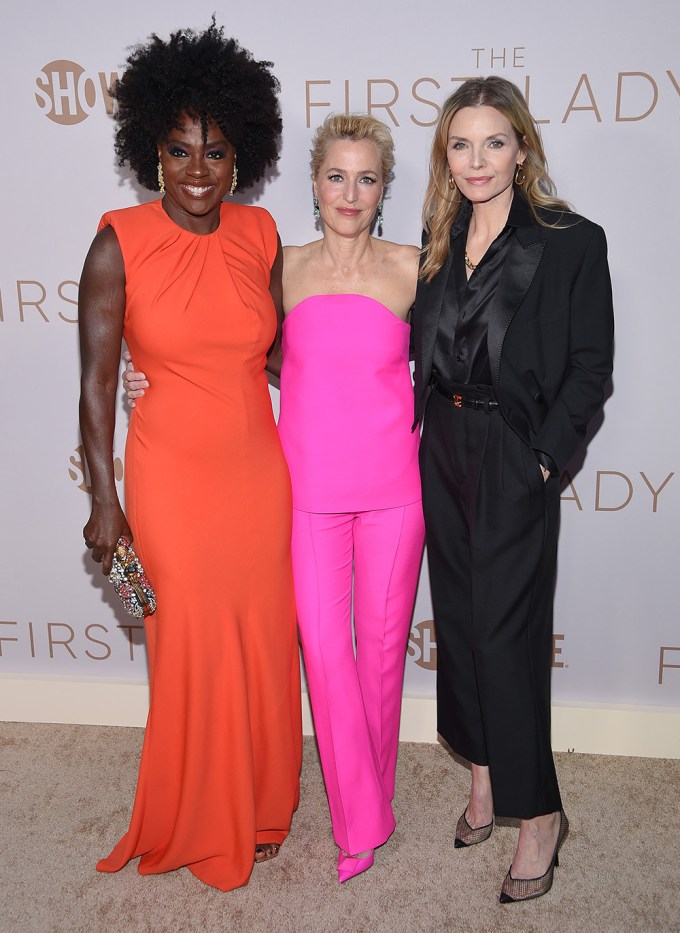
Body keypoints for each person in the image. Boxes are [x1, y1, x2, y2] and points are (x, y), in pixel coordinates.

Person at [125, 113, 425, 883]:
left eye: (366, 178)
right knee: (324, 657)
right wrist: (148, 376)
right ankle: (361, 814)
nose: (349, 193)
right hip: (305, 488)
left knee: (382, 657)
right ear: (314, 184)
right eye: (336, 176)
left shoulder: (415, 267)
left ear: (384, 188)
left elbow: (463, 362)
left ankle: (368, 809)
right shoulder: (279, 263)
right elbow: (232, 346)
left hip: (395, 488)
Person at [78, 21, 301, 892]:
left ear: (239, 155)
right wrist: (106, 502)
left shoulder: (260, 232)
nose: (198, 170)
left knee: (258, 640)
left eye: (214, 151)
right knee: (181, 637)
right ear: (151, 155)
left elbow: (283, 355)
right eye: (179, 151)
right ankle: (195, 809)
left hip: (257, 470)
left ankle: (261, 802)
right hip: (166, 480)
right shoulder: (117, 241)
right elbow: (97, 388)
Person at [412, 76, 614, 902]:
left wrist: (543, 458)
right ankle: (486, 778)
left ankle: (538, 816)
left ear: (522, 147)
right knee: (458, 622)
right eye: (461, 144)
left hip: (510, 447)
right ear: (446, 156)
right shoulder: (437, 233)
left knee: (507, 635)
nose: (478, 160)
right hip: (441, 445)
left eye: (494, 142)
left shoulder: (570, 240)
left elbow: (590, 368)